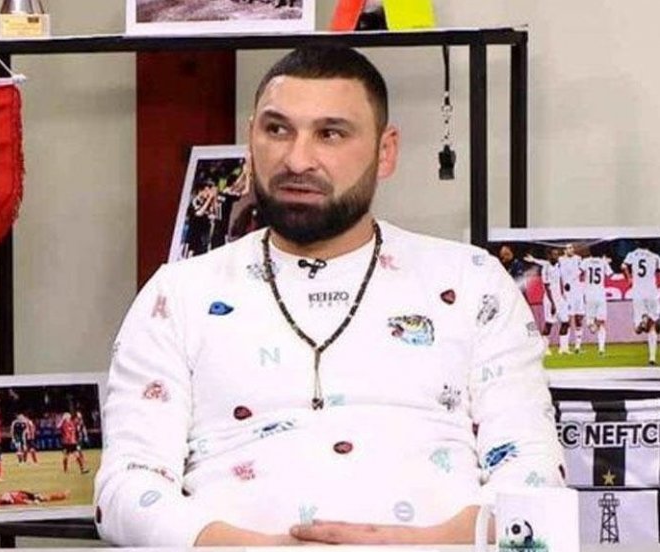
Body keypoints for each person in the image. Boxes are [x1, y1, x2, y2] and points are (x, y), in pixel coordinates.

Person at [94, 45, 563, 547]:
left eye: (330, 134)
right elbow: (126, 488)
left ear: (385, 151)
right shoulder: (179, 294)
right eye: (277, 130)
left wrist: (419, 543)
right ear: (251, 138)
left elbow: (534, 480)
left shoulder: (473, 282)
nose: (298, 159)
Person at [525, 249, 570, 355]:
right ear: (549, 256)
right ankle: (545, 348)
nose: (556, 256)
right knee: (549, 323)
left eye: (557, 255)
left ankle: (563, 348)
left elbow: (560, 281)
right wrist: (552, 303)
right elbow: (546, 286)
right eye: (554, 255)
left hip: (560, 299)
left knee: (565, 322)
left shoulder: (558, 266)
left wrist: (564, 291)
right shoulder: (546, 268)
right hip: (550, 299)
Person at [621, 246, 660, 365]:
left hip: (638, 292)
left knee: (638, 330)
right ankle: (652, 358)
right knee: (653, 327)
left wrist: (629, 278)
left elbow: (623, 266)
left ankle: (643, 321)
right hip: (652, 292)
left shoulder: (632, 254)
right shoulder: (655, 256)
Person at [579, 252, 613, 355]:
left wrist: (583, 279)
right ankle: (601, 349)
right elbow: (610, 274)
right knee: (602, 322)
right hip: (600, 294)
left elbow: (579, 273)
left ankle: (591, 325)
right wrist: (607, 262)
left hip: (589, 294)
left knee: (590, 320)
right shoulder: (603, 262)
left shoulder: (585, 261)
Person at [559, 243, 586, 353]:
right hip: (568, 294)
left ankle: (578, 347)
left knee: (579, 318)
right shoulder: (561, 260)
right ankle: (564, 347)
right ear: (564, 250)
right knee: (568, 319)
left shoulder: (578, 259)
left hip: (578, 292)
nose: (571, 249)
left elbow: (582, 271)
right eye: (568, 248)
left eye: (572, 248)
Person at [0, 489, 70, 507]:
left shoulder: (9, 495)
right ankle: (63, 495)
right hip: (27, 496)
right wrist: (33, 501)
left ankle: (63, 495)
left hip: (27, 494)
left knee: (43, 498)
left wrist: (33, 496)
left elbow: (22, 492)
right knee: (45, 499)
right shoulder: (10, 500)